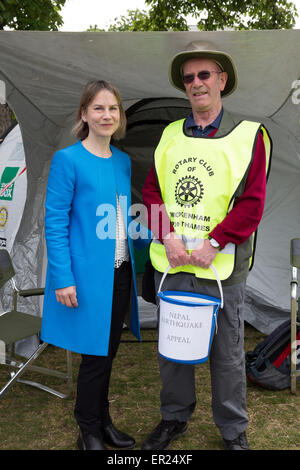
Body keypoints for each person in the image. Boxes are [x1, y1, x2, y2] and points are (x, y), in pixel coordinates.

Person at [141, 41, 272, 451]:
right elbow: (151, 193)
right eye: (188, 78)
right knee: (173, 347)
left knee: (227, 352)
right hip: (173, 263)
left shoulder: (249, 136)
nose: (196, 83)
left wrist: (215, 243)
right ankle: (174, 417)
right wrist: (167, 235)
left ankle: (233, 430)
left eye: (204, 75)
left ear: (222, 80)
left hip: (220, 267)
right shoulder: (169, 136)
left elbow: (252, 204)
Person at [41, 80, 143, 450]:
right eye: (98, 108)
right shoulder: (68, 160)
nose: (106, 115)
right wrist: (63, 278)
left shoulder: (122, 161)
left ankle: (103, 421)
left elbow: (118, 216)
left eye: (113, 108)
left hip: (119, 273)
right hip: (84, 280)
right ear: (84, 114)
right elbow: (55, 222)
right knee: (94, 356)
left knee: (108, 352)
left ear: (120, 116)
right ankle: (89, 430)